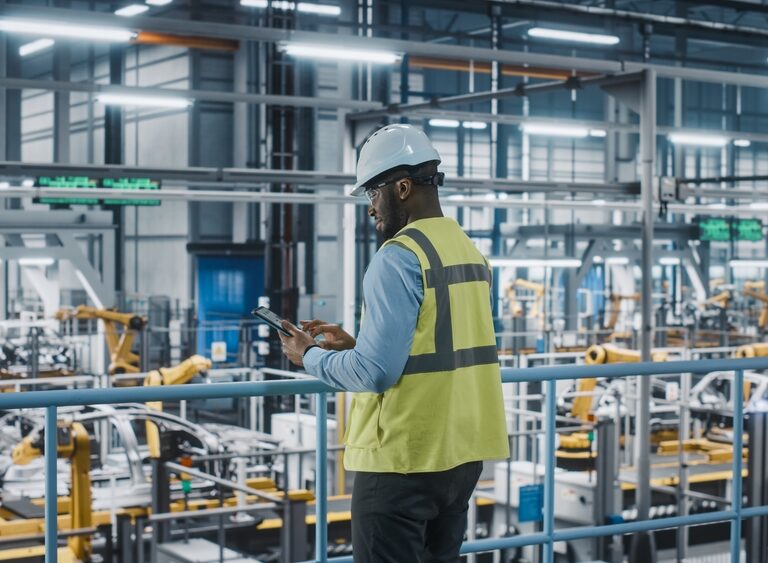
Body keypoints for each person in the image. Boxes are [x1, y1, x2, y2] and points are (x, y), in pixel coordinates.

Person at [279, 124, 509, 563]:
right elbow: (442, 342)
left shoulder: (398, 257)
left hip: (403, 460)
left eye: (372, 193)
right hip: (461, 457)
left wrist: (308, 355)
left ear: (402, 187)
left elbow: (374, 373)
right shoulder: (468, 252)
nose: (370, 209)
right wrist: (358, 342)